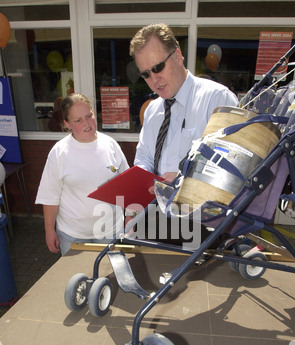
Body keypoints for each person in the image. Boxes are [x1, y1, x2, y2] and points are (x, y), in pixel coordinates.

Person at [130, 23, 238, 187]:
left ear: (178, 56)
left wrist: (186, 180)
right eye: (146, 74)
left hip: (203, 211)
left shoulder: (217, 100)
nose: (154, 79)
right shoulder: (152, 110)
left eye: (158, 67)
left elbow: (233, 165)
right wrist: (142, 179)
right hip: (158, 209)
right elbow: (144, 157)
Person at [35, 93, 129, 255]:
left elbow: (128, 185)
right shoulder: (59, 152)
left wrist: (130, 217)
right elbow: (50, 196)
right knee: (77, 280)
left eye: (89, 116)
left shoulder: (110, 145)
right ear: (67, 124)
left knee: (109, 278)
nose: (87, 124)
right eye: (78, 120)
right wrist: (49, 229)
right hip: (73, 236)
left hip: (110, 232)